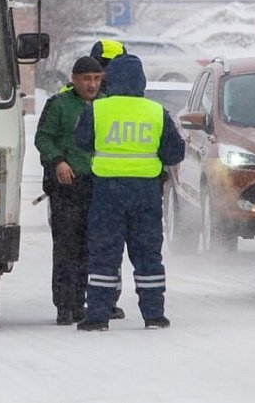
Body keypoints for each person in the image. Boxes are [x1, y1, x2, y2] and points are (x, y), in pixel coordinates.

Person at [73, 54, 185, 331]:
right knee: (147, 253)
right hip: (145, 193)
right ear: (141, 80)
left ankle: (98, 316)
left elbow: (81, 142)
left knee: (103, 254)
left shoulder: (97, 110)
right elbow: (174, 153)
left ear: (109, 80)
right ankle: (154, 315)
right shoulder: (156, 112)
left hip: (106, 192)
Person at [35, 56, 114, 325]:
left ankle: (88, 302)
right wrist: (58, 161)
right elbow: (43, 137)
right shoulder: (59, 105)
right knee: (67, 247)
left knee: (93, 248)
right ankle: (65, 304)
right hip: (68, 188)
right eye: (86, 79)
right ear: (74, 79)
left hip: (99, 186)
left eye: (96, 79)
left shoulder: (107, 105)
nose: (92, 84)